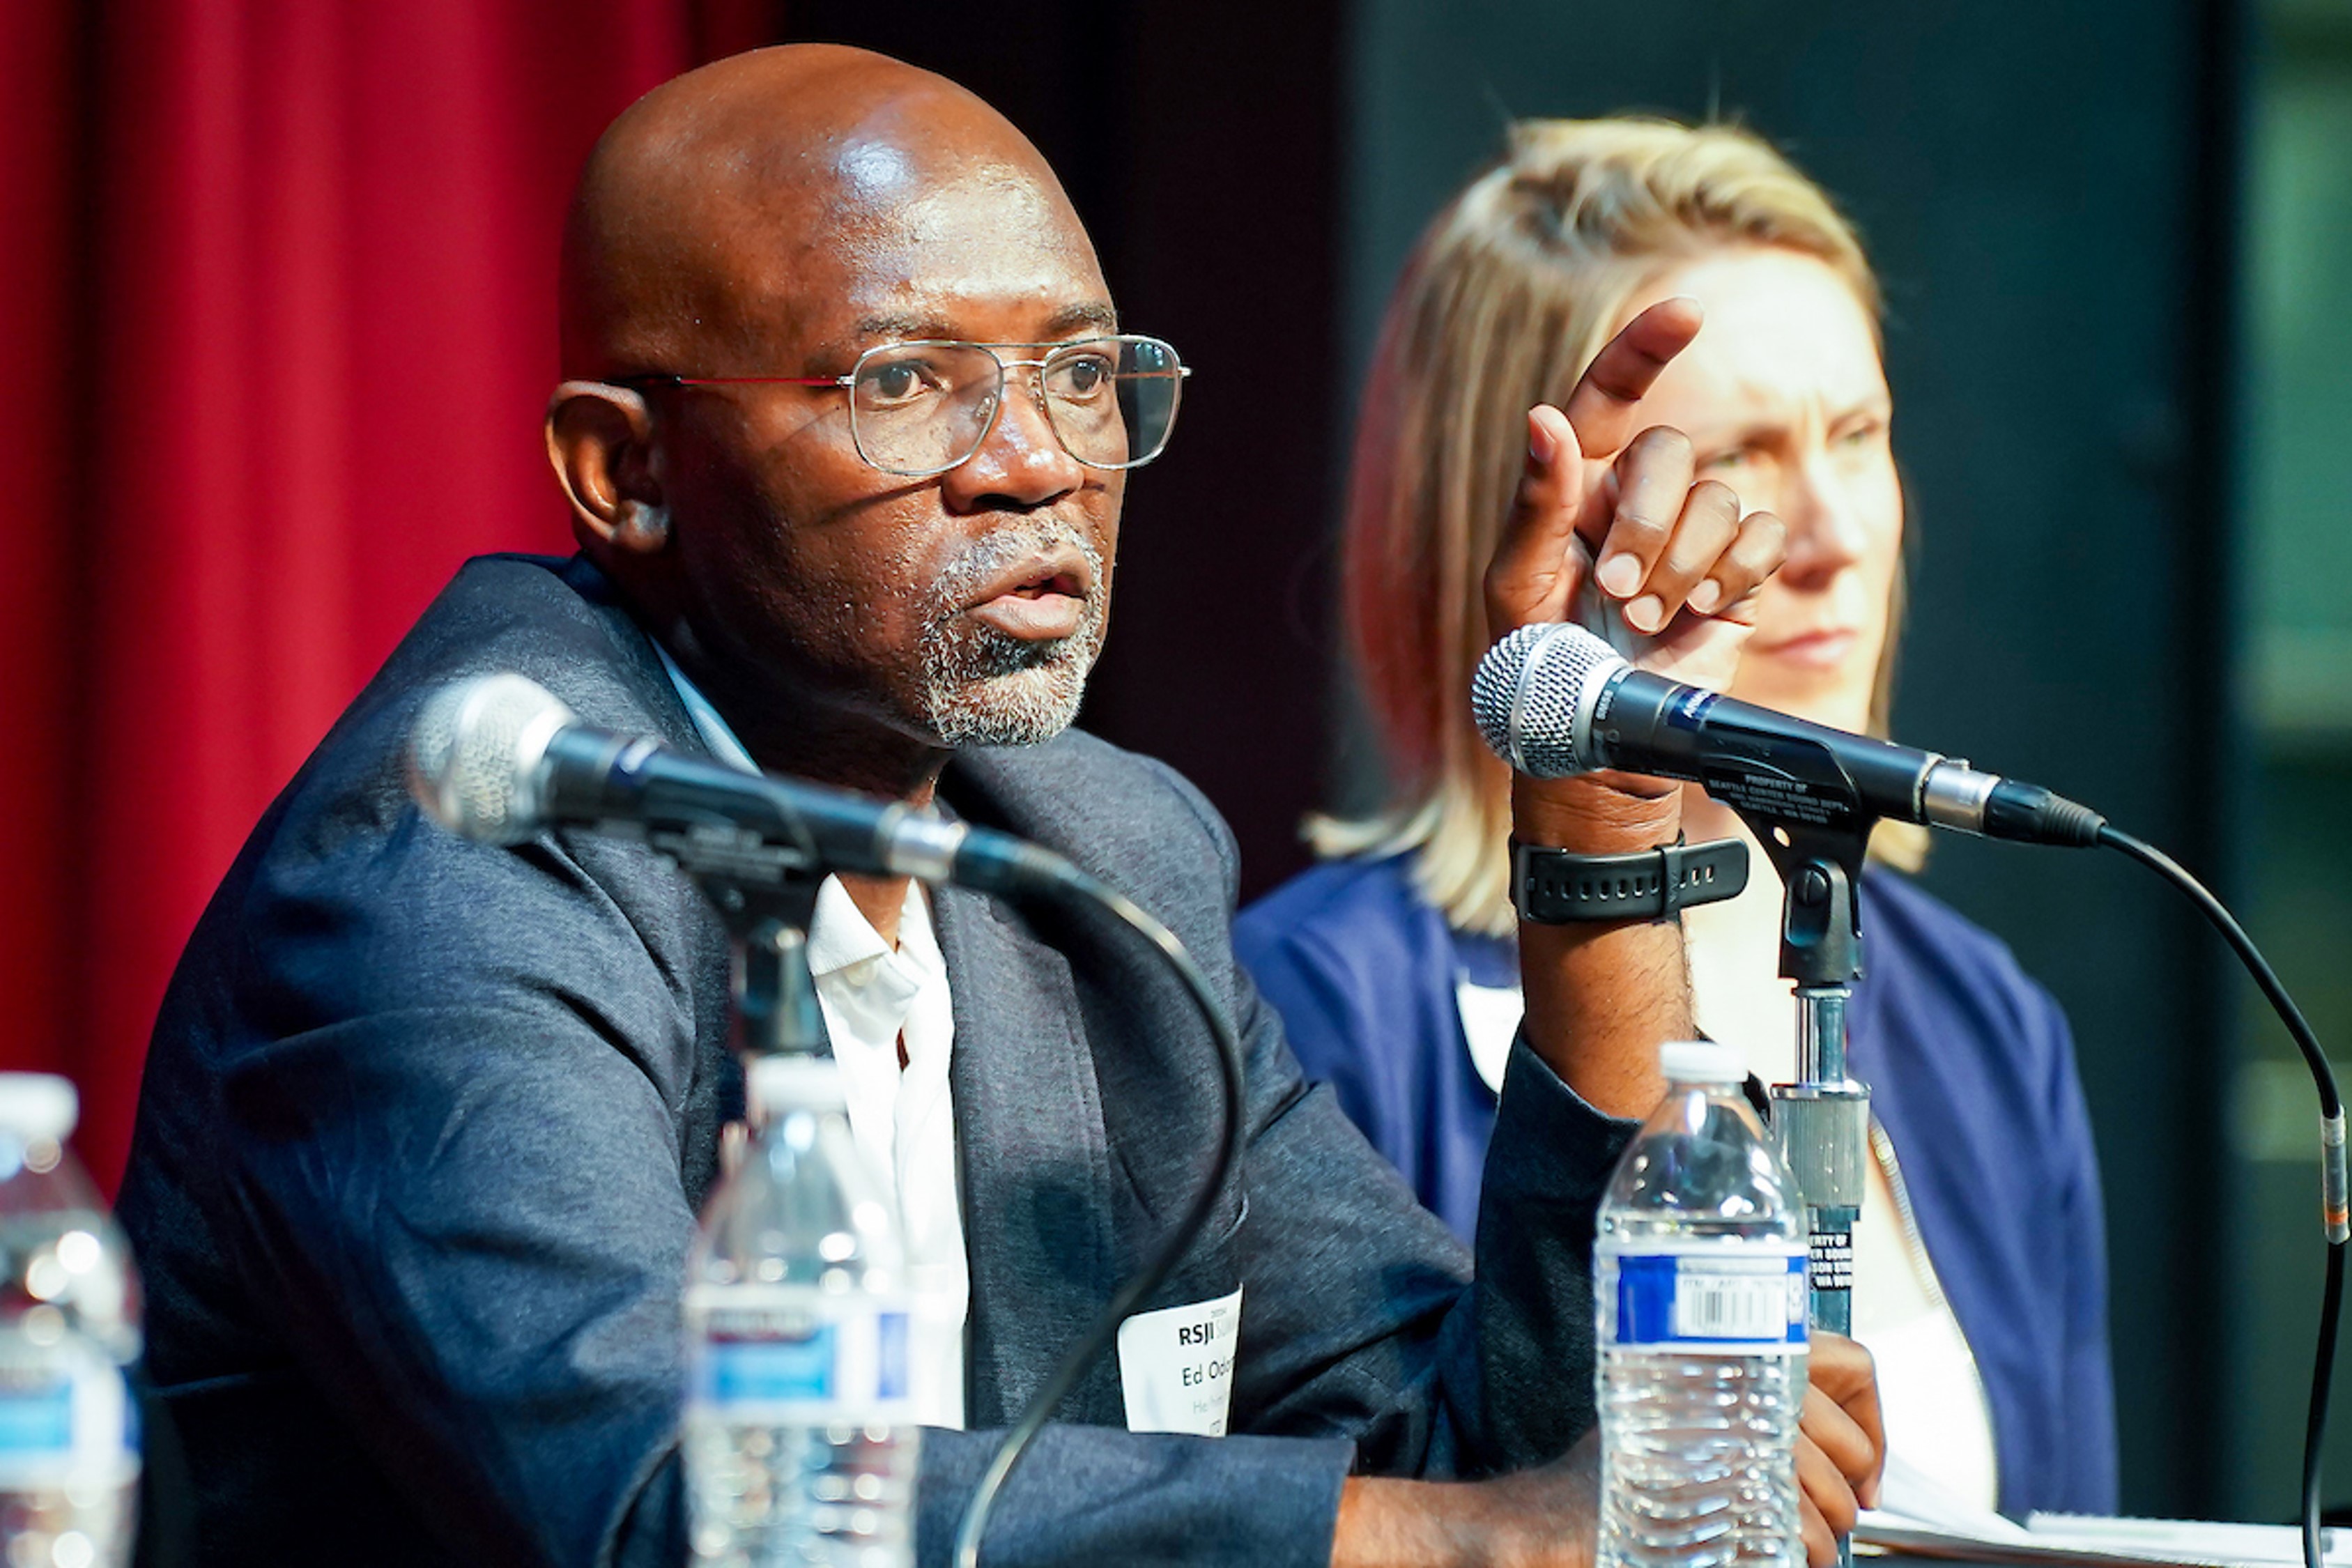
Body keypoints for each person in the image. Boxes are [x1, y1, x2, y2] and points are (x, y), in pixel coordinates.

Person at [116, 56, 1881, 1567]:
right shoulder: (449, 873)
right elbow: (683, 1507)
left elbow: (1480, 1443)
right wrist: (1466, 1542)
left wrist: (1594, 823)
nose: (1034, 462)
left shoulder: (1099, 857)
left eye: (1081, 373)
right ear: (626, 470)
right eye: (902, 381)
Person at [1236, 118, 2112, 1516]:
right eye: (1741, 461)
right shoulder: (1315, 1006)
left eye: (1858, 436)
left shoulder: (1984, 1019)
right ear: (1533, 522)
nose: (1834, 537)